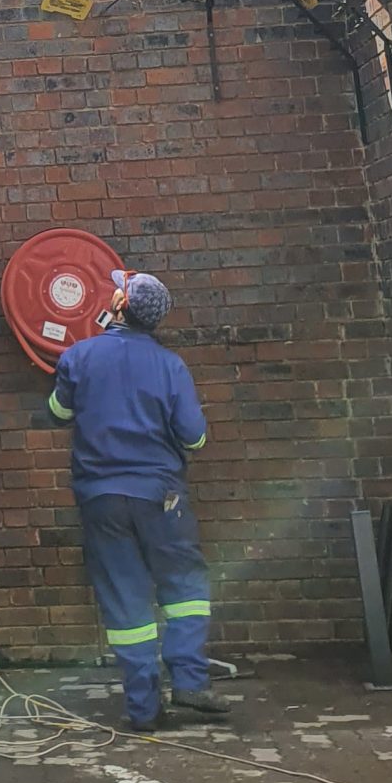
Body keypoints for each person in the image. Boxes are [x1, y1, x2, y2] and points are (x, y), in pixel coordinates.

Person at [45, 270, 231, 733]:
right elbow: (196, 437)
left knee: (126, 600)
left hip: (101, 499)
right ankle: (189, 680)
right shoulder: (171, 366)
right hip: (161, 496)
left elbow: (58, 412)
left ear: (119, 304)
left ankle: (145, 709)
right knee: (184, 586)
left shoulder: (78, 357)